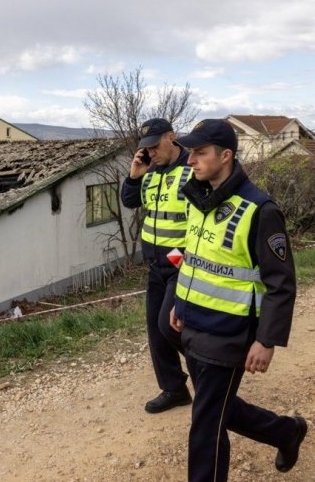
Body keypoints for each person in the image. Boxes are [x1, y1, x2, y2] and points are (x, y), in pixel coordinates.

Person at [170, 119, 308, 481]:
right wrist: (179, 305)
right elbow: (196, 262)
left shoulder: (260, 210)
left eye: (199, 153)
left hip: (230, 336)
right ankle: (285, 432)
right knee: (217, 410)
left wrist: (266, 340)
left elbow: (281, 284)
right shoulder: (196, 200)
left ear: (226, 155)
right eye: (189, 153)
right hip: (193, 325)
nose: (190, 161)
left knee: (206, 428)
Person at [121, 118, 192, 413]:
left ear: (171, 138)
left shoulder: (192, 169)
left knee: (168, 325)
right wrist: (135, 175)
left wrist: (185, 257)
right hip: (155, 265)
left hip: (182, 264)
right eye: (145, 147)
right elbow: (129, 201)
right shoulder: (151, 172)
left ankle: (211, 366)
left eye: (154, 145)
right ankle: (174, 389)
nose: (150, 151)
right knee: (155, 329)